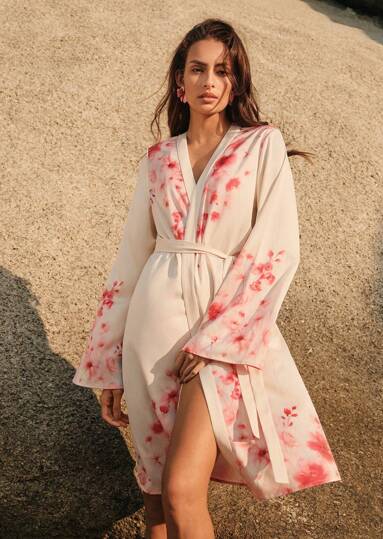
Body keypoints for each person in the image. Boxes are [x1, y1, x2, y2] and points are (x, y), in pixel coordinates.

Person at [72, 18, 342, 539]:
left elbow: (276, 249)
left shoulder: (260, 145)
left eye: (222, 70)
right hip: (150, 331)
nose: (210, 81)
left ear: (236, 83)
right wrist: (106, 363)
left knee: (180, 490)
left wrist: (219, 338)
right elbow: (129, 261)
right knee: (156, 498)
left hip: (220, 337)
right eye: (198, 69)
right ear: (181, 81)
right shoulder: (157, 160)